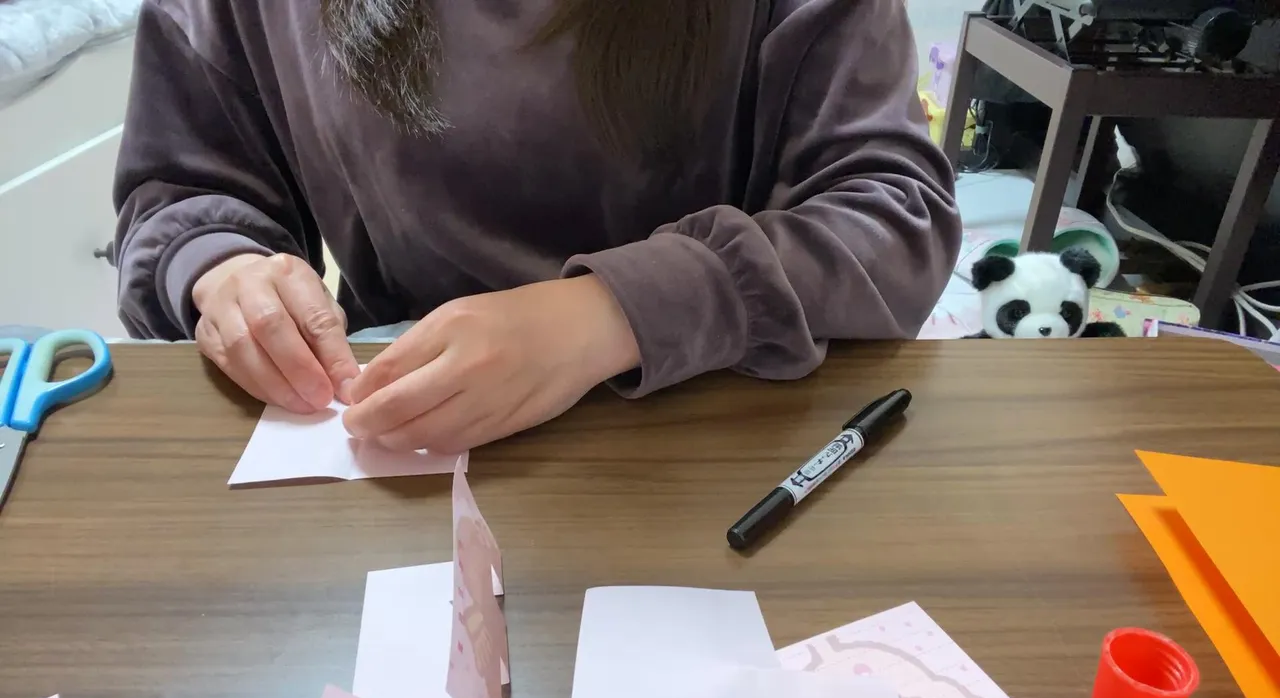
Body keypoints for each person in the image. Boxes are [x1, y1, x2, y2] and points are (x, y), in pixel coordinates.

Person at [113, 0, 962, 454]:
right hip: (392, 440)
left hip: (705, 433)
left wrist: (613, 313)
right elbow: (180, 192)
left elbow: (894, 214)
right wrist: (223, 270)